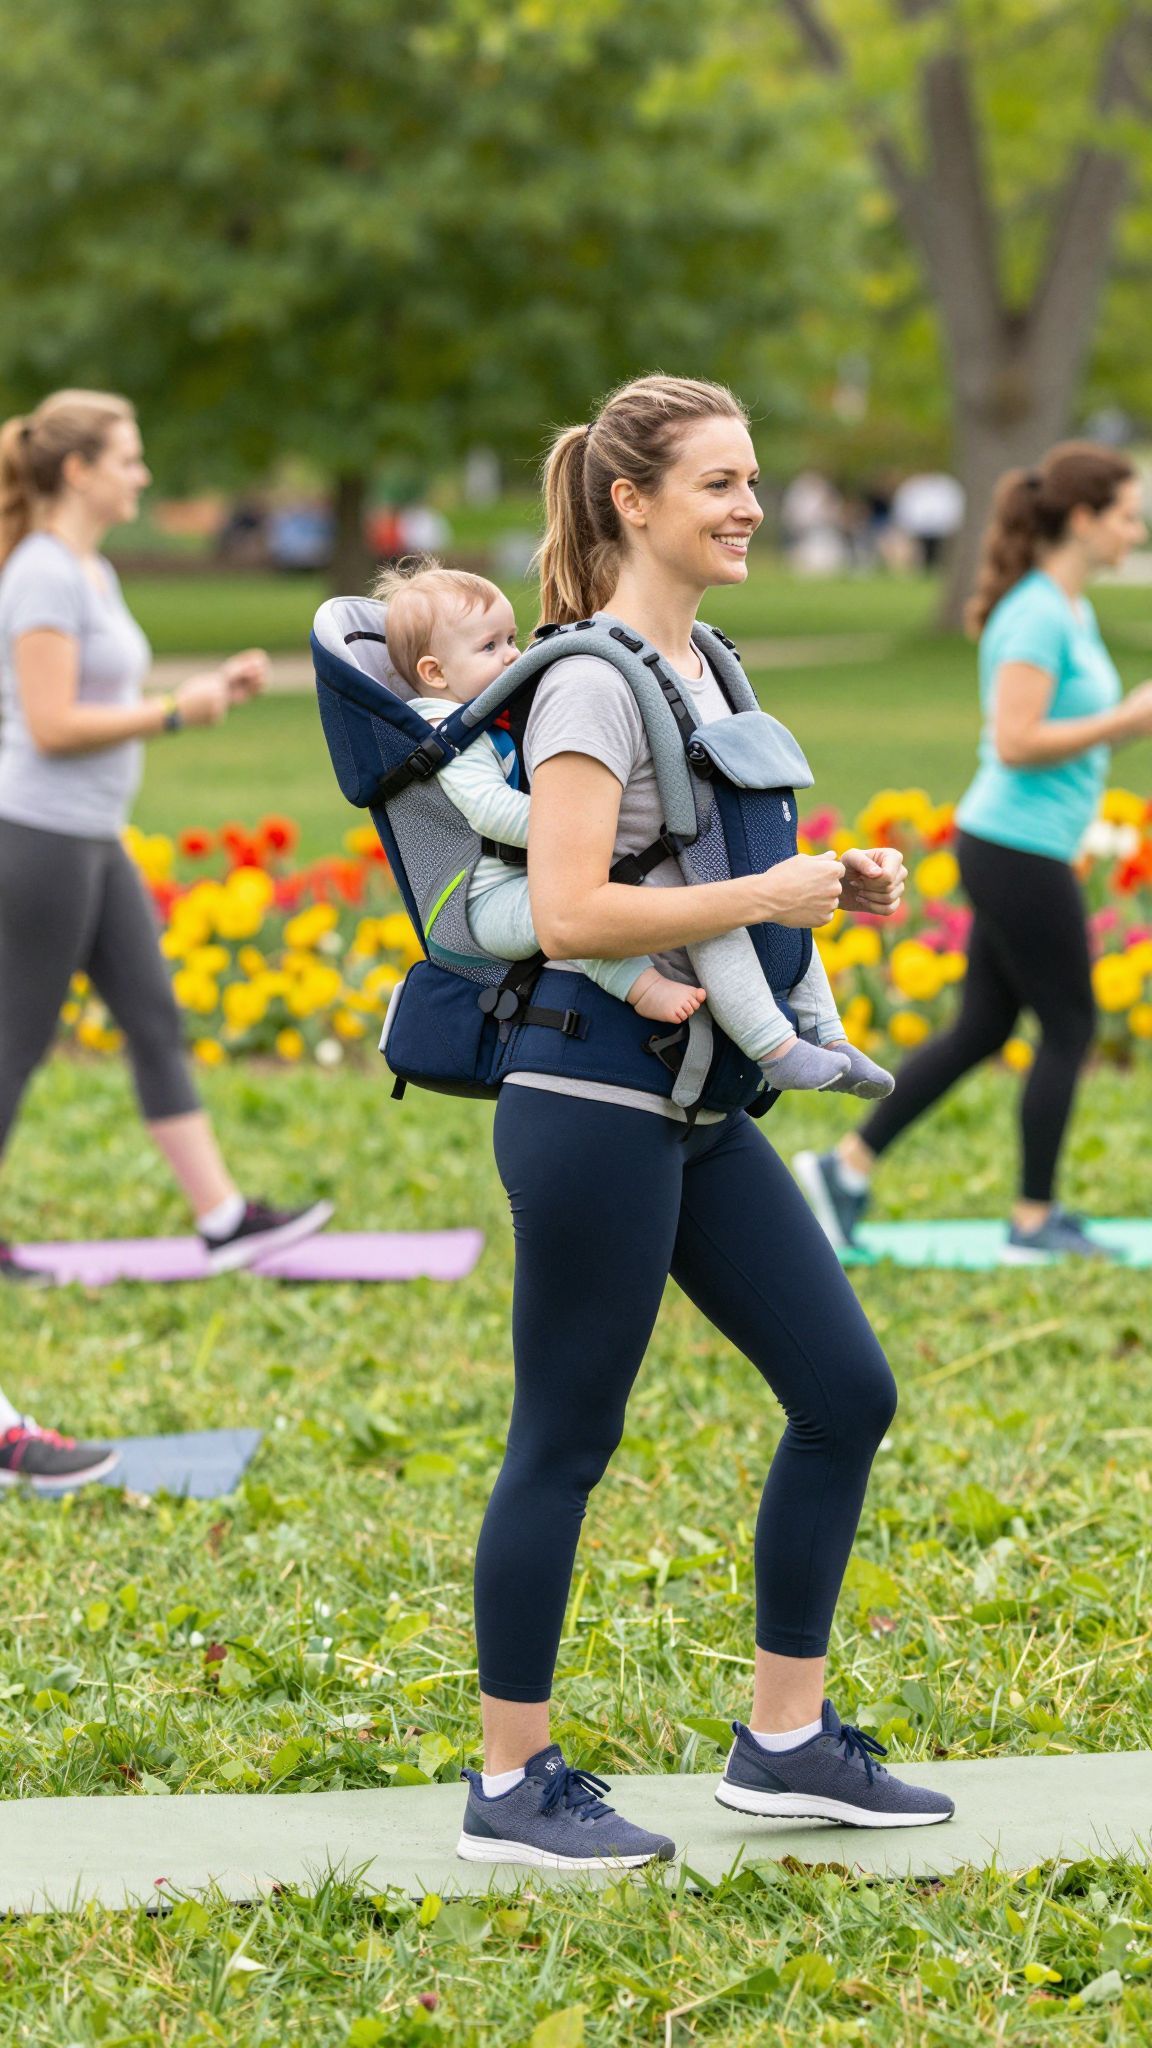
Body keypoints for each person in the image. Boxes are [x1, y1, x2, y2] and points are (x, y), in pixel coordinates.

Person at [455, 375, 954, 1872]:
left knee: (845, 1391)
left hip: (702, 1106)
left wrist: (828, 884)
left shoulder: (713, 664)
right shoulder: (586, 681)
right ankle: (509, 1779)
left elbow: (707, 857)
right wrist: (763, 897)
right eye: (721, 484)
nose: (752, 505)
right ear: (631, 502)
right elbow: (566, 908)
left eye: (753, 480)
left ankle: (784, 1745)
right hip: (591, 1101)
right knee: (567, 1436)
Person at [0, 389, 333, 1488]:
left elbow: (93, 695)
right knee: (11, 1059)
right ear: (79, 468)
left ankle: (225, 1216)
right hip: (38, 836)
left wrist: (196, 693)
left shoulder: (87, 570)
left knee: (153, 1016)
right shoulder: (43, 569)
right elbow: (49, 725)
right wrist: (175, 711)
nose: (144, 474)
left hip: (91, 836)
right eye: (130, 458)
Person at [796, 442, 1152, 1262]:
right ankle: (1033, 1221)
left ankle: (843, 1171)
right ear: (1085, 519)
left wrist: (1113, 734)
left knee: (986, 1027)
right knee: (1069, 1026)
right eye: (1128, 516)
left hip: (1023, 842)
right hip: (1014, 847)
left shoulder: (1068, 608)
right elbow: (1018, 740)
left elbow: (1055, 741)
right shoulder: (1033, 612)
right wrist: (1123, 724)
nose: (1137, 530)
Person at [379, 557, 894, 1096]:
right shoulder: (449, 735)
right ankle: (744, 1033)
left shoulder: (492, 714)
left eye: (510, 638)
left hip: (526, 879)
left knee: (734, 894)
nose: (513, 655)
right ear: (435, 673)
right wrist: (577, 828)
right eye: (490, 648)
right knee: (663, 908)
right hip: (486, 903)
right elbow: (490, 813)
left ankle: (829, 1036)